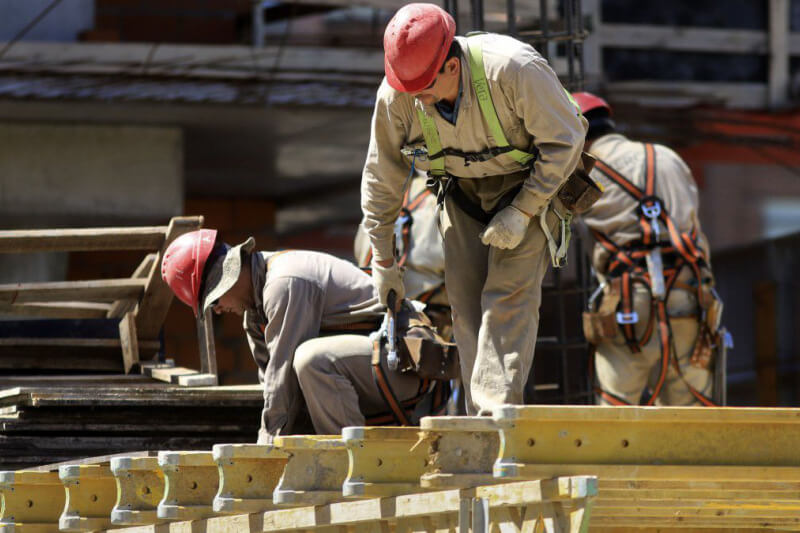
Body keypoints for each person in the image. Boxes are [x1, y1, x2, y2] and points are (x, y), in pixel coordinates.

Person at [360, 3, 587, 414]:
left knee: (506, 300)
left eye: (426, 88)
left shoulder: (514, 70)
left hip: (528, 188)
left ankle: (494, 420)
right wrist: (383, 260)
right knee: (466, 307)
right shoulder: (398, 94)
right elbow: (382, 178)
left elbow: (566, 140)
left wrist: (523, 211)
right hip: (460, 193)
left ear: (452, 64)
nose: (418, 100)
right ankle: (477, 416)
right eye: (410, 90)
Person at [161, 229, 444, 443]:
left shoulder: (283, 284)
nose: (219, 310)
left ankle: (354, 463)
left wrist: (265, 451)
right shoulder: (255, 316)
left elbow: (282, 377)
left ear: (229, 275)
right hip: (371, 373)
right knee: (301, 377)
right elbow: (275, 390)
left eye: (214, 301)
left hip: (407, 368)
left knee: (310, 361)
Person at [575, 91, 723, 406]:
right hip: (688, 295)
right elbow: (693, 223)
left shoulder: (585, 171)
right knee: (691, 416)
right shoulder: (668, 156)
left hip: (628, 302)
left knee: (616, 417)